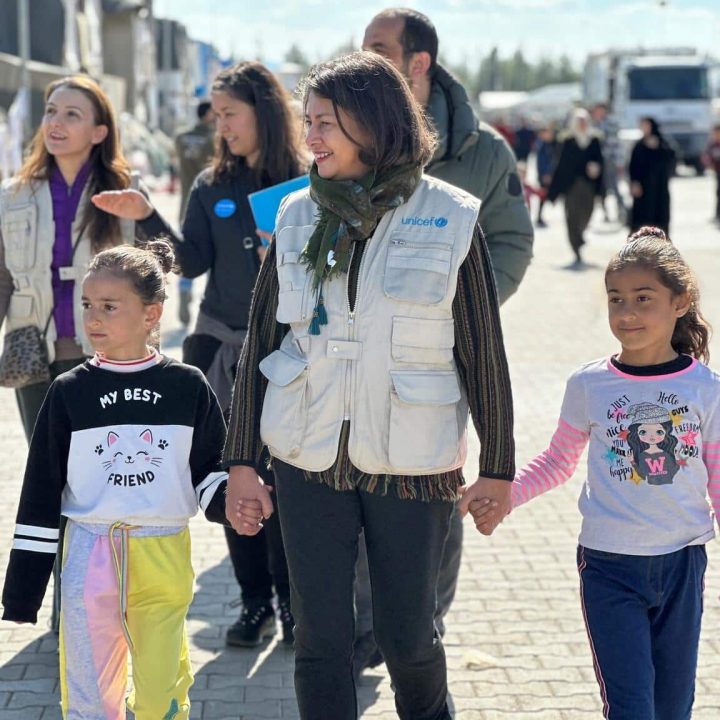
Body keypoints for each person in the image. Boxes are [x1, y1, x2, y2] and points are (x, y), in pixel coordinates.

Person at [223, 51, 515, 720]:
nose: (311, 139)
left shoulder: (451, 217)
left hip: (413, 463)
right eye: (308, 122)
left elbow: (483, 355)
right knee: (320, 641)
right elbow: (263, 341)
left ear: (373, 123)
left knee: (408, 637)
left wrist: (497, 468)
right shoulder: (295, 214)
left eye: (324, 123)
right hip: (306, 456)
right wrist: (243, 463)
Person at [92, 61, 304, 648]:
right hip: (218, 350)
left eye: (230, 112)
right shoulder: (212, 184)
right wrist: (146, 218)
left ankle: (294, 606)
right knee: (236, 475)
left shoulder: (306, 182)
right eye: (216, 112)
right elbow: (191, 260)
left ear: (262, 110)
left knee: (285, 481)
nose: (221, 123)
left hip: (289, 353)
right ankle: (254, 602)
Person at [472, 226, 718, 719]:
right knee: (631, 707)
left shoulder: (705, 388)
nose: (627, 313)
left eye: (643, 298)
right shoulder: (589, 384)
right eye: (616, 299)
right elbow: (558, 460)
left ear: (680, 300)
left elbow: (717, 474)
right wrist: (507, 495)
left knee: (674, 706)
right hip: (609, 566)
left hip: (682, 563)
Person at [358, 7, 532, 671]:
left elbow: (512, 240)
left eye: (379, 47)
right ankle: (368, 626)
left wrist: (469, 314)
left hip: (444, 356)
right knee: (362, 482)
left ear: (418, 62)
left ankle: (423, 620)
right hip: (360, 354)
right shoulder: (353, 137)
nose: (367, 57)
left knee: (435, 486)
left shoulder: (482, 152)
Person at [2, 239, 230, 720]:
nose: (93, 318)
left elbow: (210, 470)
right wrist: (24, 591)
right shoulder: (68, 392)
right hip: (88, 555)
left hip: (164, 553)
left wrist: (232, 503)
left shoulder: (187, 385)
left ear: (152, 314)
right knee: (89, 697)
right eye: (87, 305)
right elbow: (40, 492)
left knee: (160, 695)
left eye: (109, 306)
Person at [0, 75, 142, 633]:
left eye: (73, 114)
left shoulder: (122, 193)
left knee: (99, 480)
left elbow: (152, 270)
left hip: (101, 355)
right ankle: (67, 609)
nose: (56, 123)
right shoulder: (13, 194)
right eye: (51, 111)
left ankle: (100, 603)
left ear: (100, 131)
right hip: (34, 352)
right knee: (51, 479)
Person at [174, 100, 216, 326]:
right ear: (209, 114)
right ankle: (212, 298)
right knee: (216, 257)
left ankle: (184, 288)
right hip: (210, 204)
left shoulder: (180, 138)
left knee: (188, 255)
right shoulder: (214, 139)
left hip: (185, 205)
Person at [547, 107, 604, 266]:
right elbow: (560, 164)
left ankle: (580, 235)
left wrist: (597, 168)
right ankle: (576, 246)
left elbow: (600, 160)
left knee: (587, 213)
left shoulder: (594, 139)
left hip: (589, 185)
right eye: (579, 121)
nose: (582, 124)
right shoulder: (567, 140)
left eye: (585, 121)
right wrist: (553, 191)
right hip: (571, 185)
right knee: (572, 217)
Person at [628, 117, 675, 236]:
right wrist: (634, 183)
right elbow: (632, 166)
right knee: (642, 219)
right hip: (642, 189)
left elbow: (672, 159)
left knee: (660, 217)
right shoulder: (639, 146)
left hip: (660, 188)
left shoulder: (663, 144)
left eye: (646, 125)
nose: (644, 128)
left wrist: (659, 148)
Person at [591, 103, 627, 224]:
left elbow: (618, 145)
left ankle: (622, 211)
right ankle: (606, 213)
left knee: (614, 187)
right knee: (601, 189)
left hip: (610, 160)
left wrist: (619, 162)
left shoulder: (611, 124)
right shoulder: (593, 124)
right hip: (598, 162)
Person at [534, 125, 556, 228]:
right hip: (545, 176)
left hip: (550, 175)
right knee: (543, 196)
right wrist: (545, 174)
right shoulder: (542, 146)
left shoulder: (551, 144)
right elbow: (541, 162)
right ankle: (539, 217)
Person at [702, 124, 720, 224]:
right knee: (718, 193)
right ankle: (718, 214)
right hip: (718, 172)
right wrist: (709, 164)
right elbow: (706, 156)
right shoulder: (712, 145)